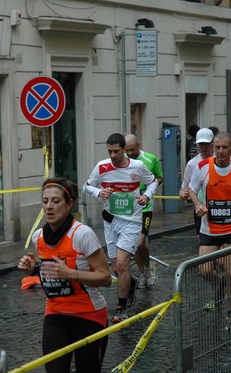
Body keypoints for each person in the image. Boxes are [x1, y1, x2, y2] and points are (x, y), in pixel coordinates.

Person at [18, 177, 111, 373]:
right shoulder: (39, 237)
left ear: (69, 204)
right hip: (55, 315)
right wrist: (33, 270)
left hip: (89, 316)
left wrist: (71, 273)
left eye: (56, 201)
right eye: (45, 201)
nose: (49, 207)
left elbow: (105, 278)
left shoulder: (82, 234)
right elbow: (52, 273)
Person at [84, 133, 158, 323]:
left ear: (125, 150)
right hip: (110, 221)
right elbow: (87, 186)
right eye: (109, 151)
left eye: (116, 151)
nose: (113, 155)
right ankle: (131, 283)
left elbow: (153, 181)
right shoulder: (102, 167)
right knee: (117, 268)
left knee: (123, 263)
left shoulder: (137, 167)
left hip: (131, 221)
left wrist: (146, 196)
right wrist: (100, 192)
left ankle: (120, 307)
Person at [188, 132, 231, 331]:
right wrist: (198, 204)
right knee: (205, 270)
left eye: (224, 147)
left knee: (229, 271)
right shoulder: (203, 167)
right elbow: (192, 190)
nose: (220, 151)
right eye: (217, 147)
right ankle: (220, 287)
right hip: (209, 228)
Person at [124, 134, 164, 288]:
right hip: (129, 208)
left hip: (145, 207)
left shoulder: (150, 159)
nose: (129, 154)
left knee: (140, 243)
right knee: (133, 245)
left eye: (132, 150)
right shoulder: (122, 161)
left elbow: (160, 177)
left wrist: (149, 187)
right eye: (126, 150)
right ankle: (144, 272)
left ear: (139, 145)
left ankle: (148, 267)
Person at [180, 128, 215, 236]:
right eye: (200, 144)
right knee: (203, 241)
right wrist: (184, 194)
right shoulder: (192, 164)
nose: (203, 147)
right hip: (201, 209)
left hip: (220, 207)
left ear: (212, 143)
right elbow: (183, 189)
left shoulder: (222, 160)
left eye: (206, 144)